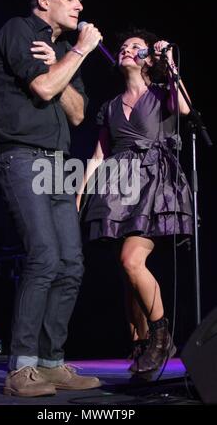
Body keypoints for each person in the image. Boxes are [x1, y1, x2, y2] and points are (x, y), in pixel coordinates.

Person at [0, 0, 103, 397]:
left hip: (57, 162)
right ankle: (22, 369)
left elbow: (76, 113)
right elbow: (44, 91)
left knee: (71, 264)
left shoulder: (60, 52)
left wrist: (66, 59)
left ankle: (52, 363)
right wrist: (76, 54)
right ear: (45, 0)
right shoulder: (19, 31)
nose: (80, 6)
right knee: (43, 257)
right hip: (20, 156)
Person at [77, 28, 193, 374]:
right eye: (124, 47)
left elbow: (185, 108)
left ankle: (161, 337)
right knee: (127, 274)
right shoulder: (110, 106)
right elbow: (98, 156)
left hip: (154, 184)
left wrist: (170, 63)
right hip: (117, 188)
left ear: (149, 60)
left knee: (132, 261)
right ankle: (141, 343)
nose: (126, 50)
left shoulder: (162, 94)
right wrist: (81, 193)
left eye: (135, 48)